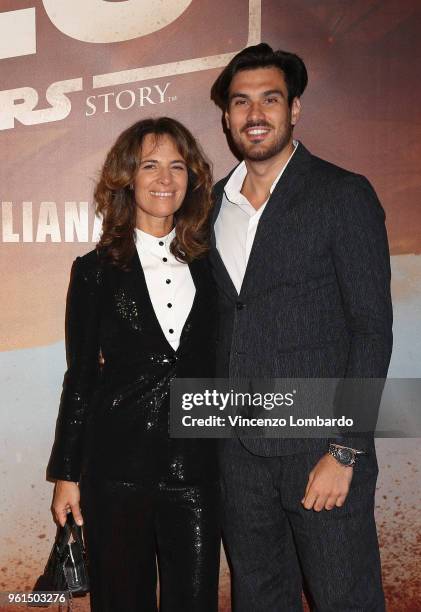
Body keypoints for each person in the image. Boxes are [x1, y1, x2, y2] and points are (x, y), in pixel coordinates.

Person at [210, 43, 393, 611]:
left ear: (295, 110)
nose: (254, 114)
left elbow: (371, 331)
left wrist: (345, 449)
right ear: (227, 117)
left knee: (346, 598)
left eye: (270, 99)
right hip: (238, 457)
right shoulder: (212, 204)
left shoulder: (343, 194)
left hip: (321, 447)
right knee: (260, 600)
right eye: (241, 102)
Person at [47, 117, 220, 612]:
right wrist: (67, 472)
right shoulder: (94, 270)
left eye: (177, 166)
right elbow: (80, 375)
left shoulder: (212, 264)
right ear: (128, 177)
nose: (165, 179)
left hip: (197, 470)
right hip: (115, 469)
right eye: (150, 165)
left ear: (192, 179)